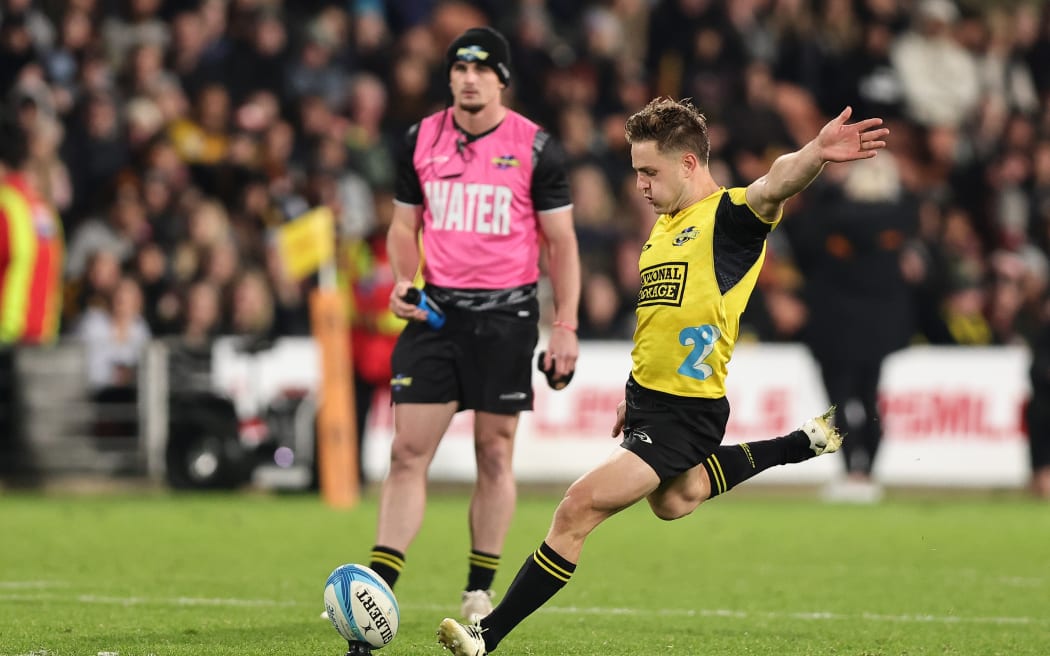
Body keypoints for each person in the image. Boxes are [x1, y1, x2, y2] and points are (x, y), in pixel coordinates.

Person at [435, 97, 888, 655]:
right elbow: (660, 323)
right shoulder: (663, 229)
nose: (641, 186)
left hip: (688, 412)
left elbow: (775, 183)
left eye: (650, 172)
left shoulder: (729, 220)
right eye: (636, 173)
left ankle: (487, 635)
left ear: (690, 164)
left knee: (577, 509)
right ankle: (801, 443)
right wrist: (634, 393)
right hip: (652, 402)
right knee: (677, 498)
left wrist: (816, 152)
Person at [372, 25, 581, 624]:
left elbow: (561, 245)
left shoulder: (537, 147)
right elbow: (401, 226)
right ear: (449, 77)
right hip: (436, 314)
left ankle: (478, 588)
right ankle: (380, 584)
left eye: (482, 69)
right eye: (459, 68)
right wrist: (403, 279)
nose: (468, 78)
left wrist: (564, 324)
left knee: (494, 451)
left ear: (501, 80)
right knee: (408, 451)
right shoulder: (419, 139)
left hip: (507, 317)